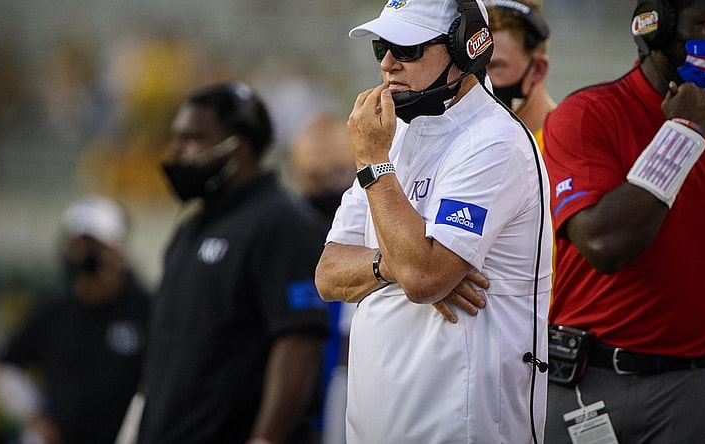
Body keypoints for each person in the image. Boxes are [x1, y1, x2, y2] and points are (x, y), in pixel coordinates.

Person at [313, 0, 553, 442]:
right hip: (376, 424)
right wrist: (392, 264)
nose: (387, 63)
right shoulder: (392, 137)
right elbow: (328, 276)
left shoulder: (495, 142)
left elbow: (424, 277)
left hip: (461, 425)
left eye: (407, 48)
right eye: (382, 47)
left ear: (468, 48)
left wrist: (373, 164)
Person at [541, 0, 705, 442]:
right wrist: (684, 133)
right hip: (593, 382)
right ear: (656, 29)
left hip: (697, 386)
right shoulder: (586, 115)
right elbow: (604, 245)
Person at [134, 81, 329, 444]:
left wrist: (266, 439)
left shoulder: (282, 222)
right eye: (175, 136)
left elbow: (299, 341)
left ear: (237, 149)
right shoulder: (189, 229)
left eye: (192, 138)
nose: (175, 150)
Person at [0, 194, 151, 444]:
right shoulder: (53, 308)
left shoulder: (146, 308)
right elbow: (2, 364)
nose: (82, 254)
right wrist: (34, 416)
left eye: (93, 245)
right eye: (76, 244)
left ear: (117, 248)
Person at [285, 113, 356, 444]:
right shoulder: (286, 238)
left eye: (338, 172)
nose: (328, 187)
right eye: (315, 177)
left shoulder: (380, 226)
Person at [484, 0, 555, 147]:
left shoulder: (568, 146)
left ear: (537, 70)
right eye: (476, 68)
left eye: (496, 66)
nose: (481, 80)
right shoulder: (469, 146)